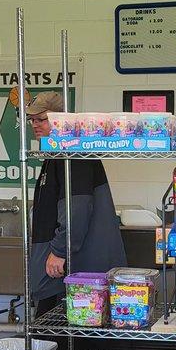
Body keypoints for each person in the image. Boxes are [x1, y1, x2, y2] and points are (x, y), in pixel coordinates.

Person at [26, 91, 126, 316]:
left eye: (42, 119)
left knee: (64, 332)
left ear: (62, 120)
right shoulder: (56, 153)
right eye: (32, 120)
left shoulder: (73, 153)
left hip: (76, 268)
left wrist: (60, 250)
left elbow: (77, 208)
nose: (35, 125)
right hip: (66, 268)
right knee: (55, 330)